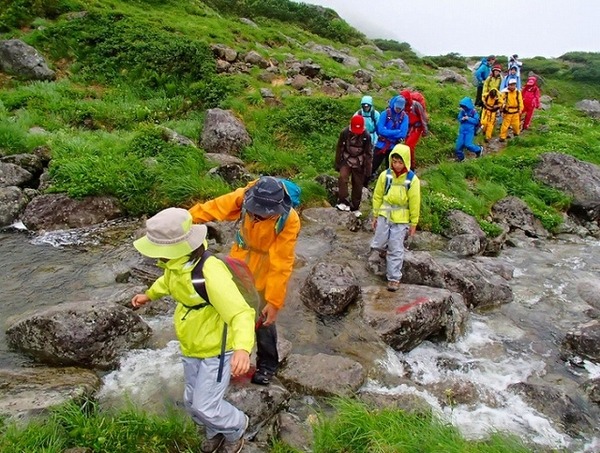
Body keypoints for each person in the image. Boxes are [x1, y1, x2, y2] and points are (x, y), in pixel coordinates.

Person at [131, 208, 253, 453]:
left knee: (206, 406)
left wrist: (242, 349)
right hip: (191, 344)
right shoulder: (176, 265)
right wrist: (148, 295)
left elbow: (240, 312)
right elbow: (167, 281)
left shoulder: (209, 271)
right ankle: (213, 431)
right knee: (191, 401)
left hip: (217, 349)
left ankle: (236, 428)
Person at [189, 176, 300, 386]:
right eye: (255, 211)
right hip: (238, 262)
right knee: (227, 309)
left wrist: (274, 302)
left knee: (264, 319)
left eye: (264, 214)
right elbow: (213, 208)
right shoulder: (243, 197)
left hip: (265, 268)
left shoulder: (289, 219)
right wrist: (185, 220)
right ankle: (228, 357)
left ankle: (267, 365)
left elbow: (282, 263)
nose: (258, 215)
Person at [370, 144, 420, 292]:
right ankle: (384, 250)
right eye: (394, 161)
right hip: (385, 213)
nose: (397, 165)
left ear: (406, 161)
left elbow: (415, 201)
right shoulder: (385, 175)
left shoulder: (412, 180)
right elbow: (378, 195)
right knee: (378, 242)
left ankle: (394, 278)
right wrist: (375, 214)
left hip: (401, 217)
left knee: (396, 248)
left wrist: (413, 222)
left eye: (400, 162)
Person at [334, 114, 372, 212]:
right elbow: (339, 148)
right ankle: (343, 201)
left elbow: (368, 154)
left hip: (359, 162)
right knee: (342, 178)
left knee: (358, 184)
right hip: (346, 159)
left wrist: (368, 170)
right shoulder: (345, 133)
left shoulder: (366, 136)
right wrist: (338, 163)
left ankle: (355, 207)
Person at [371, 95, 409, 179]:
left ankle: (388, 185)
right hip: (381, 145)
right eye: (397, 107)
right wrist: (396, 131)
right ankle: (365, 183)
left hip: (393, 147)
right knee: (373, 166)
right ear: (394, 104)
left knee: (391, 169)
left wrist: (387, 132)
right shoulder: (385, 114)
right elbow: (380, 130)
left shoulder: (405, 117)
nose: (398, 110)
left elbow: (403, 134)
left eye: (400, 108)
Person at [400, 90, 429, 170]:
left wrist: (425, 131)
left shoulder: (416, 105)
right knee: (407, 146)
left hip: (417, 128)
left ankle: (411, 167)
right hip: (408, 128)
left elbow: (422, 118)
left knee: (409, 146)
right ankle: (406, 165)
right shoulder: (402, 106)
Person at [455, 97, 483, 161]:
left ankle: (478, 149)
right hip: (462, 131)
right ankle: (461, 158)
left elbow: (476, 121)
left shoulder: (473, 112)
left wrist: (468, 118)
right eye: (462, 106)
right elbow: (459, 118)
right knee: (458, 146)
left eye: (464, 106)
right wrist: (462, 119)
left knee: (468, 144)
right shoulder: (462, 112)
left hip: (470, 131)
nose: (463, 108)